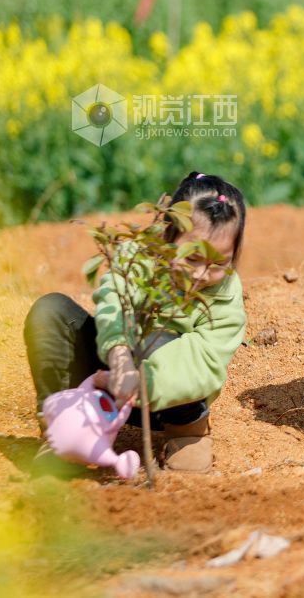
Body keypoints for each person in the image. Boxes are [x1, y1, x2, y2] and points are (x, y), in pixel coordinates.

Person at [24, 172, 247, 472]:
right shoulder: (139, 257)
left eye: (219, 263)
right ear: (168, 236)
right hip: (106, 381)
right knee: (50, 312)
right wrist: (118, 358)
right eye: (192, 258)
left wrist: (139, 380)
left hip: (171, 404)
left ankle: (187, 436)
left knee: (166, 341)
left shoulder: (226, 294)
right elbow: (113, 301)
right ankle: (63, 428)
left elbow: (205, 363)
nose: (201, 274)